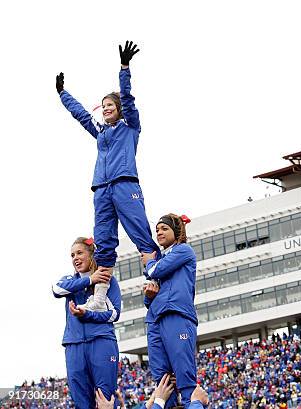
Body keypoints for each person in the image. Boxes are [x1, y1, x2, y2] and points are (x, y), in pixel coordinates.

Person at [55, 40, 159, 311]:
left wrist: (124, 69)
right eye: (103, 106)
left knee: (140, 233)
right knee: (103, 243)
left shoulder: (130, 126)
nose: (106, 108)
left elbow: (127, 98)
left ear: (119, 108)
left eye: (110, 104)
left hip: (125, 184)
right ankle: (100, 298)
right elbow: (80, 115)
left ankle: (156, 278)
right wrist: (63, 94)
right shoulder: (101, 132)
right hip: (101, 189)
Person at [52, 237, 121, 408]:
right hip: (73, 345)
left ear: (91, 254)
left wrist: (87, 314)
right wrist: (90, 280)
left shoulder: (108, 280)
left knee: (105, 398)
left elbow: (114, 314)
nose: (75, 258)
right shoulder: (69, 280)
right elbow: (56, 289)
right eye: (72, 255)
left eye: (80, 253)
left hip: (101, 341)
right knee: (81, 401)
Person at [142, 213, 199, 407]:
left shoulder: (184, 250)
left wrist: (149, 261)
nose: (159, 232)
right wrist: (148, 296)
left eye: (164, 228)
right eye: (157, 230)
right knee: (162, 380)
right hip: (155, 320)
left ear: (177, 231)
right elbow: (150, 300)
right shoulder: (162, 259)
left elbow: (152, 271)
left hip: (177, 315)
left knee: (184, 376)